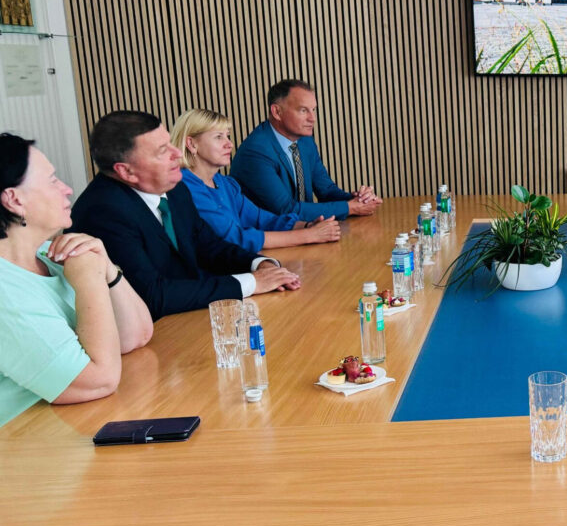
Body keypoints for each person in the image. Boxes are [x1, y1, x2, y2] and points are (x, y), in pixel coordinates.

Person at [70, 111, 302, 320]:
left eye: (170, 143)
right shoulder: (103, 213)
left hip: (188, 317)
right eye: (163, 151)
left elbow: (208, 245)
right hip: (151, 335)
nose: (177, 154)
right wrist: (252, 283)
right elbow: (154, 295)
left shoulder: (175, 187)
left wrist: (259, 264)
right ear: (126, 171)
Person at [0, 133, 152, 427]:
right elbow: (99, 381)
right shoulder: (6, 293)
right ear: (14, 200)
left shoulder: (48, 255)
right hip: (28, 444)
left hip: (80, 424)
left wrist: (106, 267)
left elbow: (136, 335)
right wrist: (89, 280)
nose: (67, 189)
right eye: (52, 181)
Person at [172, 108, 342, 254]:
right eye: (218, 137)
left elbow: (261, 219)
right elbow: (233, 239)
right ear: (191, 144)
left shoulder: (225, 184)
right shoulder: (184, 188)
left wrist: (306, 226)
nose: (229, 144)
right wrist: (308, 236)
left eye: (227, 136)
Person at [231, 79, 381, 219]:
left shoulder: (304, 141)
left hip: (307, 230)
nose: (312, 118)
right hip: (268, 235)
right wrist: (350, 208)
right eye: (303, 110)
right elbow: (286, 210)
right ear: (277, 112)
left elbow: (326, 190)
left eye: (313, 109)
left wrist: (358, 199)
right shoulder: (256, 152)